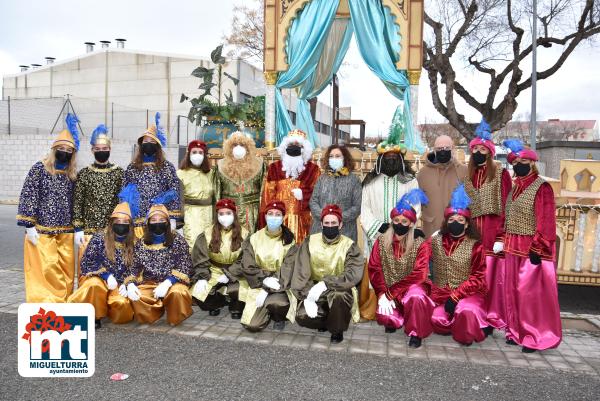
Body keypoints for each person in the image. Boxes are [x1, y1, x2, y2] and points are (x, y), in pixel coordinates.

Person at [501, 139, 561, 353]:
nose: (519, 164)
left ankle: (534, 336)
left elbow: (546, 221)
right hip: (511, 248)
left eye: (523, 161)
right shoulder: (515, 188)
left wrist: (539, 248)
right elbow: (507, 217)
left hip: (530, 250)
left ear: (532, 163)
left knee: (530, 296)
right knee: (512, 292)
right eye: (515, 161)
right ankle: (515, 332)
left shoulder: (541, 187)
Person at [17, 113, 80, 302]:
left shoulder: (72, 175)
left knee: (66, 270)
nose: (64, 151)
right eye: (60, 148)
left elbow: (76, 201)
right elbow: (29, 194)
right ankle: (46, 304)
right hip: (42, 231)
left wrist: (78, 228)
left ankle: (63, 303)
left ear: (72, 153)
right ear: (54, 149)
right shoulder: (39, 169)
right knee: (47, 269)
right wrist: (29, 225)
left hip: (66, 232)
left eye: (68, 149)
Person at [360, 138, 419, 320]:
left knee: (401, 272)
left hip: (401, 235)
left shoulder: (410, 182)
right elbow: (365, 209)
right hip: (376, 235)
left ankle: (399, 307)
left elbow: (415, 208)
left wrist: (399, 227)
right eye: (387, 156)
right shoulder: (370, 181)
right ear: (380, 159)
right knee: (375, 271)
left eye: (395, 156)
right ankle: (372, 308)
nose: (391, 159)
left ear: (401, 159)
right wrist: (379, 227)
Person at [368, 189, 433, 348]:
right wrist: (383, 293)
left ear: (411, 224)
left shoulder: (420, 244)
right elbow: (374, 269)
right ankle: (399, 318)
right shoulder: (381, 241)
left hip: (411, 291)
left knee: (416, 295)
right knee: (385, 316)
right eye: (396, 220)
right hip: (391, 292)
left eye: (404, 222)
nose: (399, 224)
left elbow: (419, 274)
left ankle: (416, 332)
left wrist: (390, 293)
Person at [464, 119, 512, 332]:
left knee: (491, 280)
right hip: (472, 234)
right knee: (472, 277)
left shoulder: (501, 174)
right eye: (476, 149)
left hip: (493, 234)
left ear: (490, 152)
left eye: (483, 149)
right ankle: (471, 314)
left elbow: (507, 206)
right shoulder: (467, 176)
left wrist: (502, 236)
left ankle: (490, 319)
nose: (479, 152)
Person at [68, 184, 139, 328]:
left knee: (123, 309)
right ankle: (94, 315)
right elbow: (87, 262)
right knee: (94, 285)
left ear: (130, 225)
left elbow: (136, 268)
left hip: (119, 285)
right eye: (118, 222)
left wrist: (129, 283)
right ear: (112, 223)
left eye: (125, 222)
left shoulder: (135, 243)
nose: (121, 225)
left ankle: (108, 308)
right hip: (99, 280)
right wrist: (106, 276)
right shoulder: (100, 237)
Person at [292, 204, 364, 344]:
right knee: (302, 316)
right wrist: (307, 296)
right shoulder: (309, 242)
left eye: (333, 223)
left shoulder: (350, 246)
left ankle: (337, 329)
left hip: (338, 289)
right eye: (327, 223)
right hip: (314, 291)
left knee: (340, 295)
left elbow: (353, 274)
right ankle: (325, 320)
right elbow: (301, 272)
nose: (330, 226)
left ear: (340, 224)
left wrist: (326, 283)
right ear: (321, 224)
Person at [428, 184, 489, 346]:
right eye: (452, 220)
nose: (456, 223)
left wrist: (456, 296)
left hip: (468, 294)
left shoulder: (476, 246)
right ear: (446, 222)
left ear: (467, 224)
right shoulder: (435, 241)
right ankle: (457, 322)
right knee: (436, 320)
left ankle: (473, 324)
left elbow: (478, 277)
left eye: (460, 220)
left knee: (465, 312)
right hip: (441, 294)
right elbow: (420, 259)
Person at [130, 190, 193, 326]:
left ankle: (174, 314)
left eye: (161, 220)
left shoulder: (178, 240)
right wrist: (130, 283)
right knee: (137, 296)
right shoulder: (141, 243)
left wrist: (168, 282)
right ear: (148, 222)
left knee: (179, 293)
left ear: (167, 222)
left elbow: (185, 265)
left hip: (173, 283)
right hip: (150, 283)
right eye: (154, 220)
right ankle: (154, 312)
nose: (157, 222)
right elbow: (134, 267)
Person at [235, 200, 297, 332]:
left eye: (277, 214)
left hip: (279, 286)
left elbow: (288, 269)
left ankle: (279, 317)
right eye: (270, 214)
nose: (273, 217)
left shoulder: (290, 240)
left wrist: (267, 288)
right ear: (265, 216)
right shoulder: (254, 238)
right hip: (258, 283)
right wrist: (264, 281)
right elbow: (247, 265)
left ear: (283, 217)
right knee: (252, 326)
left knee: (277, 304)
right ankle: (265, 312)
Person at [73, 124, 124, 269]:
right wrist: (78, 228)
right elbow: (77, 202)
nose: (101, 152)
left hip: (112, 234)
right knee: (88, 269)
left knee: (111, 270)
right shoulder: (84, 174)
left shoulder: (119, 173)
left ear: (110, 150)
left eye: (104, 149)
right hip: (88, 232)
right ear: (92, 150)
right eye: (98, 149)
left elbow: (123, 203)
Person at [123, 112, 181, 237]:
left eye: (151, 141)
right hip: (137, 221)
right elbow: (125, 194)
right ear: (140, 145)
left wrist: (172, 218)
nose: (148, 144)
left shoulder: (167, 167)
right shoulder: (132, 167)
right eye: (145, 141)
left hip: (159, 222)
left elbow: (174, 190)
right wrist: (126, 216)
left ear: (157, 145)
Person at [190, 198, 249, 319]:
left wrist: (229, 274)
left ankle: (236, 307)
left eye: (228, 213)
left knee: (237, 290)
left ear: (234, 214)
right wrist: (202, 277)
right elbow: (199, 258)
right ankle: (217, 303)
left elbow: (246, 259)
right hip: (214, 270)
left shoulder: (245, 234)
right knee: (198, 293)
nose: (224, 217)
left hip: (237, 272)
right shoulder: (207, 234)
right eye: (221, 214)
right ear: (217, 215)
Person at [260, 129, 320, 243]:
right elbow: (268, 196)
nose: (294, 147)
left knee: (299, 252)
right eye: (291, 144)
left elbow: (318, 194)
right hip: (278, 220)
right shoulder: (274, 168)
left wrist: (304, 195)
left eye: (297, 145)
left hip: (302, 221)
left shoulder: (313, 170)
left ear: (304, 149)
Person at [417, 135, 468, 237]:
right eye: (439, 148)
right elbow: (417, 204)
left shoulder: (463, 171)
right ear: (434, 150)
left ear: (452, 149)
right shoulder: (423, 173)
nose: (443, 151)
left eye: (446, 148)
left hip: (456, 229)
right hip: (431, 228)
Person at [216, 131, 267, 234]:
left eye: (242, 145)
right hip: (228, 212)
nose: (238, 148)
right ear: (229, 147)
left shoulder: (259, 165)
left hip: (252, 212)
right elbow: (217, 193)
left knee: (250, 240)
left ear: (248, 147)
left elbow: (264, 192)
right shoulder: (220, 165)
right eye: (235, 145)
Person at [309, 144, 362, 242]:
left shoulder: (354, 180)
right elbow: (313, 201)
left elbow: (357, 207)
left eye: (337, 156)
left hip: (345, 231)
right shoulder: (322, 178)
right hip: (320, 229)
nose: (334, 158)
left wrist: (337, 218)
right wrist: (325, 216)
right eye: (331, 156)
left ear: (344, 158)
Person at [177, 139, 216, 248]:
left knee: (209, 243)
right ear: (189, 154)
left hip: (209, 214)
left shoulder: (212, 174)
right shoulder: (180, 174)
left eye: (200, 152)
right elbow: (178, 199)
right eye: (194, 152)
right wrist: (179, 219)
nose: (197, 155)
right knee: (193, 244)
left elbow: (215, 197)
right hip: (191, 214)